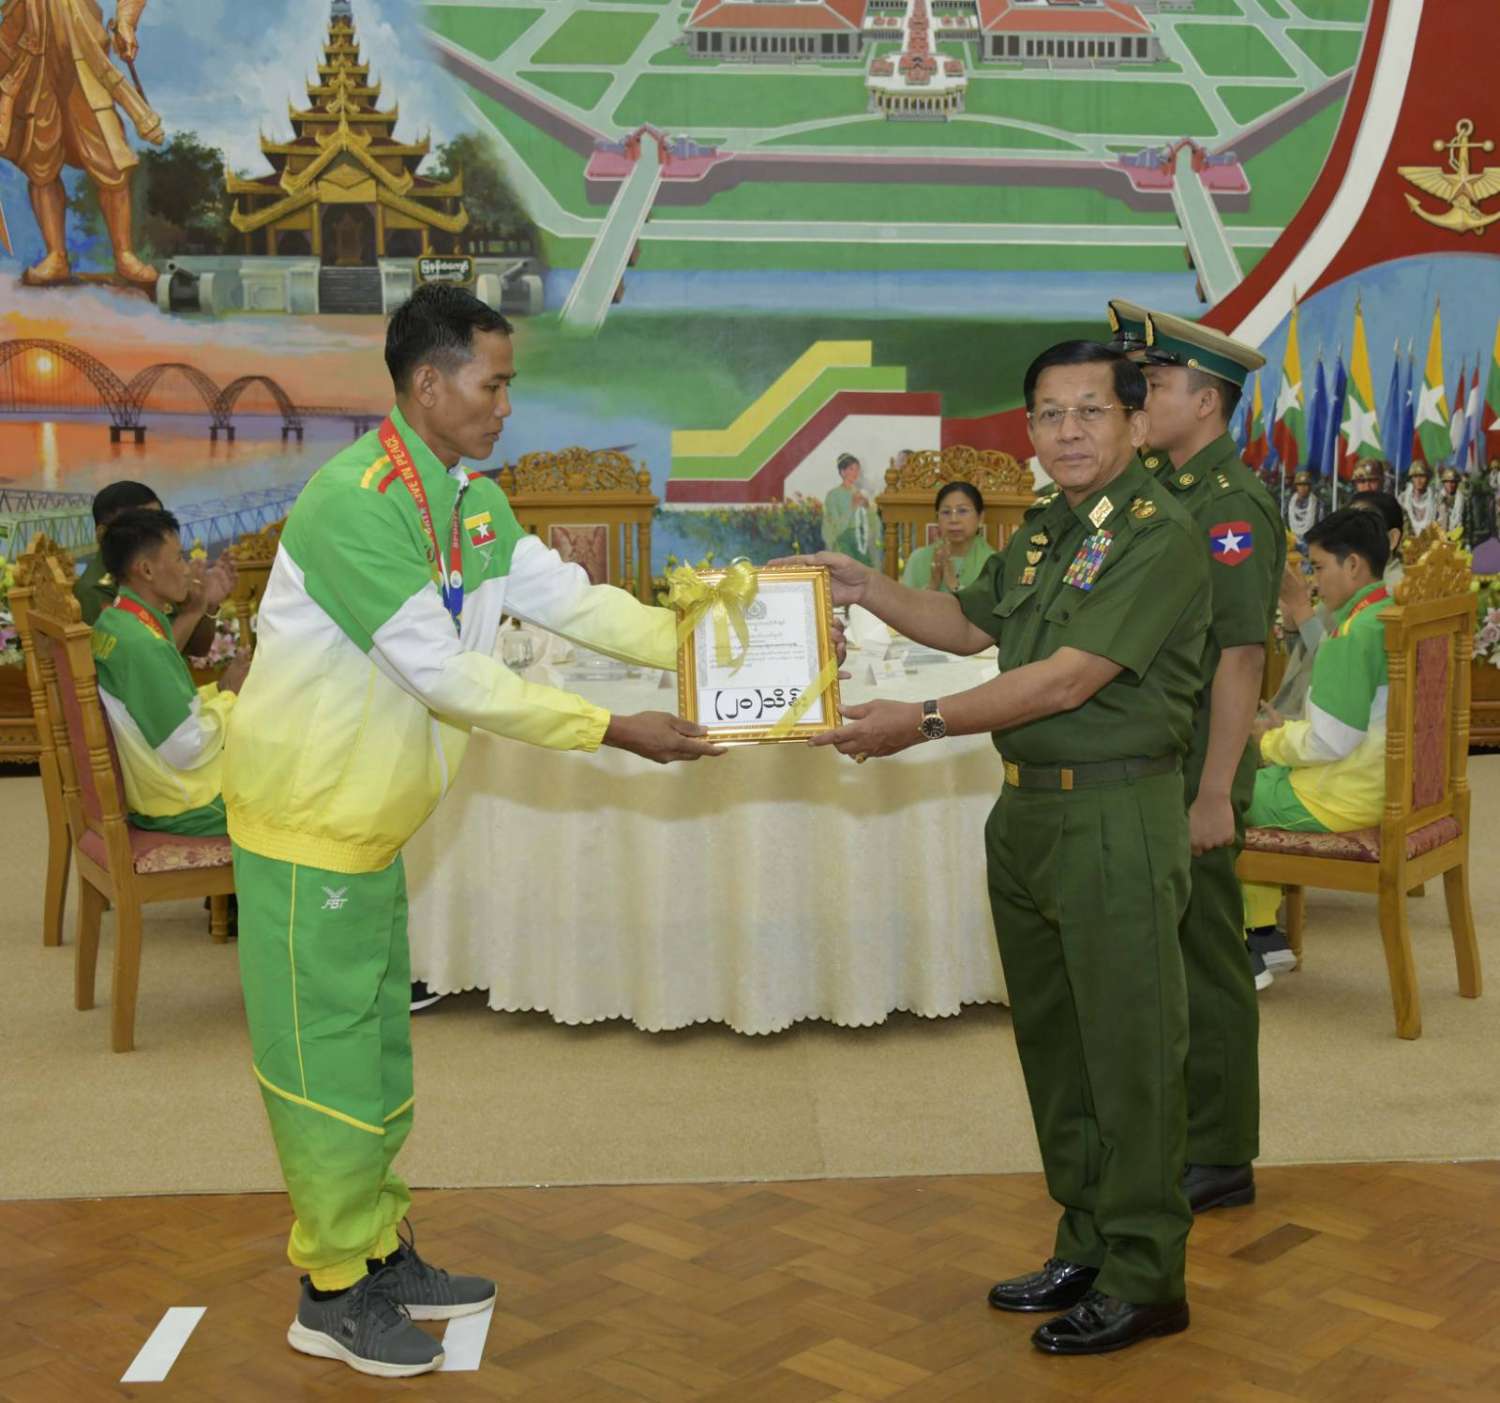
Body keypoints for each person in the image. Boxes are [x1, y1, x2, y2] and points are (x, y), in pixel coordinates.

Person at [224, 285, 726, 1379]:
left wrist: (707, 641)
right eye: (493, 385)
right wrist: (611, 727)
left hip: (369, 826)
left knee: (376, 1053)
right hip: (306, 826)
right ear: (428, 383)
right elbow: (444, 674)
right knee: (322, 1068)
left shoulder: (469, 501)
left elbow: (576, 601)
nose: (506, 405)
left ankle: (378, 1248)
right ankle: (330, 1290)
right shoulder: (357, 503)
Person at [777, 341, 1210, 1356]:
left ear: (1135, 421)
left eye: (1091, 410)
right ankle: (1087, 1239)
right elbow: (970, 625)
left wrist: (919, 721)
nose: (1069, 431)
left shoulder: (1160, 535)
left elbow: (1064, 679)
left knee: (1131, 1051)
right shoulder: (1051, 528)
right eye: (1049, 414)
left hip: (1114, 815)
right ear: (1029, 431)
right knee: (1058, 1047)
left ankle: (1147, 1272)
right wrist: (862, 585)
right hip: (1028, 814)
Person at [1105, 302, 1284, 1217]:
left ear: (1208, 401)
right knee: (1166, 954)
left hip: (1197, 765)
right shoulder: (1161, 489)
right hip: (1155, 753)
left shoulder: (1229, 508)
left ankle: (1220, 1150)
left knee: (1208, 954)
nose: (1140, 398)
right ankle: (1183, 1128)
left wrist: (1216, 792)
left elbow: (1241, 657)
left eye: (1158, 383)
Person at [1244, 509, 1395, 952]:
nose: (1313, 580)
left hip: (1341, 795)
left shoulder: (1351, 635)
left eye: (1319, 567)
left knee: (1219, 794)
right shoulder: (1388, 614)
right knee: (1247, 781)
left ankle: (1253, 941)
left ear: (1354, 565)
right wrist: (1288, 732)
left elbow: (1330, 741)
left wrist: (1268, 740)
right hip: (1380, 782)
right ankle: (1263, 935)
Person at [90, 508, 250, 836]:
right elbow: (186, 746)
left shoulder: (117, 620)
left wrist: (220, 689)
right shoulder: (141, 644)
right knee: (301, 784)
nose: (187, 568)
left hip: (157, 790)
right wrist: (231, 697)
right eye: (178, 558)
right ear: (146, 570)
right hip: (186, 803)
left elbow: (162, 709)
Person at [0, 0, 164, 289]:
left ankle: (124, 255)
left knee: (111, 159)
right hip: (28, 56)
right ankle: (56, 256)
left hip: (84, 53)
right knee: (40, 163)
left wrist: (126, 22)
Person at [1272, 491, 1404, 725]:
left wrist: (1301, 607)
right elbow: (1307, 660)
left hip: (1330, 723)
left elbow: (1338, 668)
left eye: (1365, 522)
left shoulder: (1394, 594)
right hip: (1302, 711)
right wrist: (1292, 624)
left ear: (1392, 538)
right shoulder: (1344, 590)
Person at [75, 480, 236, 650]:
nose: (157, 533)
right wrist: (191, 613)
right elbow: (142, 660)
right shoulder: (93, 591)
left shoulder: (163, 572)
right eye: (144, 526)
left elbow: (198, 648)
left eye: (159, 522)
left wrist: (207, 604)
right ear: (102, 534)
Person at [900, 481, 995, 592]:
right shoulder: (918, 559)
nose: (954, 520)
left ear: (980, 517)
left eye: (962, 511)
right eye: (946, 512)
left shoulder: (993, 563)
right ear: (937, 518)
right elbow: (904, 602)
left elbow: (993, 603)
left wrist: (953, 584)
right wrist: (933, 584)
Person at [821, 452, 882, 568]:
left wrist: (868, 508)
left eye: (857, 469)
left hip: (862, 543)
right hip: (843, 543)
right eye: (851, 469)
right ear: (842, 472)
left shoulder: (861, 494)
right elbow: (834, 527)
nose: (855, 473)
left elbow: (873, 523)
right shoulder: (833, 495)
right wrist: (852, 507)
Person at [1284, 469, 1325, 546]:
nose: (1303, 487)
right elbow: (1285, 522)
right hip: (1292, 542)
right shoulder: (1288, 503)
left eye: (1306, 485)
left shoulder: (1317, 504)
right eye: (1300, 485)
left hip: (1311, 542)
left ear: (1310, 487)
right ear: (1296, 486)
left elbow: (1321, 525)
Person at [1400, 464, 1438, 534]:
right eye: (1415, 476)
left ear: (1428, 478)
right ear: (1411, 478)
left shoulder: (1436, 499)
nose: (1419, 480)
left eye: (1422, 476)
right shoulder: (1402, 499)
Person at [1438, 467, 1468, 540]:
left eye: (1452, 482)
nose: (1450, 485)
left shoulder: (1463, 500)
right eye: (1447, 482)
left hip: (1458, 537)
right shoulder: (1437, 500)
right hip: (1441, 538)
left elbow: (1468, 522)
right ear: (1443, 483)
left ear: (1457, 483)